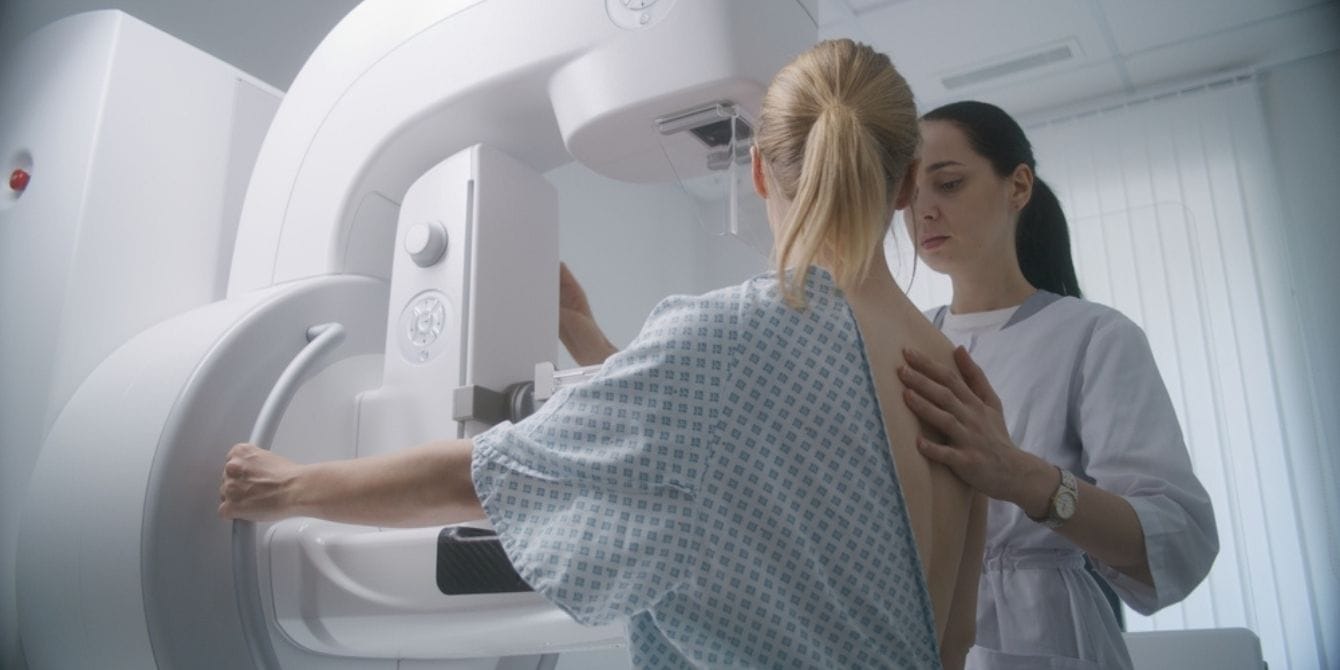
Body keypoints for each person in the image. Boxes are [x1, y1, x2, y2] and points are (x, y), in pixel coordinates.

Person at [221, 39, 987, 669]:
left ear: (757, 170)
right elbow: (941, 636)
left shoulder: (730, 341)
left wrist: (291, 484)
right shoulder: (958, 384)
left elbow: (486, 476)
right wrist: (586, 335)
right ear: (908, 185)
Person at [894, 101, 1219, 669]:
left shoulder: (1095, 337)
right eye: (908, 192)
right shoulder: (903, 341)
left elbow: (1179, 544)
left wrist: (1022, 476)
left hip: (1048, 634)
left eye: (947, 183)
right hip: (915, 629)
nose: (924, 210)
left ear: (1018, 186)